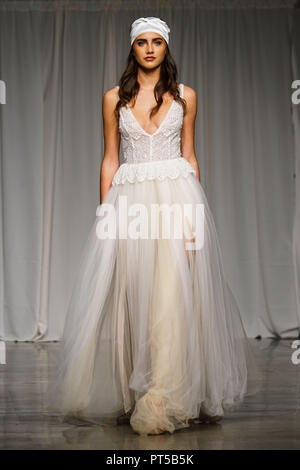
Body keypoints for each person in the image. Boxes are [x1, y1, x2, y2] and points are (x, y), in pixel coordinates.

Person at [46, 16, 263, 437]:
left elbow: (190, 156)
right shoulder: (113, 99)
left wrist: (195, 217)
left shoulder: (186, 96)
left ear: (166, 48)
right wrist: (105, 214)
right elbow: (110, 158)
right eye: (142, 42)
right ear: (133, 48)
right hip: (130, 205)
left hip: (178, 201)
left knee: (171, 300)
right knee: (137, 301)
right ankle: (136, 394)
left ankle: (164, 398)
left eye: (157, 42)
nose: (149, 49)